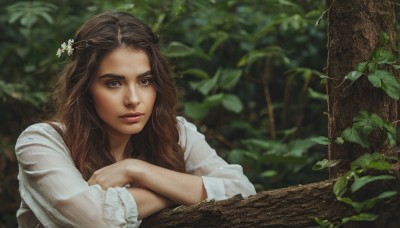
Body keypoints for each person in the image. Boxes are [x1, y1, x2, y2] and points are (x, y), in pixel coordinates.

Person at [15, 11, 256, 227]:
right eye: (114, 83)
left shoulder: (176, 132)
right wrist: (177, 191)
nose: (133, 99)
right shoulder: (41, 142)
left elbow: (242, 192)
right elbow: (94, 220)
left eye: (145, 81)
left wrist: (137, 170)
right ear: (85, 87)